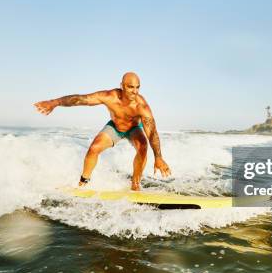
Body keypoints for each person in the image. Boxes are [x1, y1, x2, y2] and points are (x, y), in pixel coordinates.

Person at [34, 72, 171, 191]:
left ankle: (135, 185)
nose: (135, 91)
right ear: (122, 85)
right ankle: (83, 183)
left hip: (134, 129)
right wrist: (54, 102)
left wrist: (158, 157)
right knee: (94, 148)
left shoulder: (141, 106)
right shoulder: (109, 96)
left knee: (143, 147)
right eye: (130, 87)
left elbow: (152, 132)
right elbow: (81, 99)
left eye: (137, 87)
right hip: (115, 127)